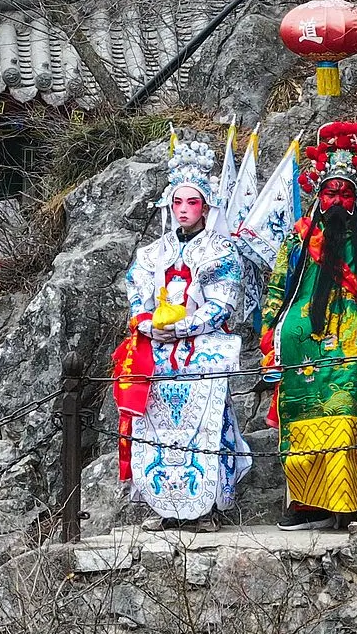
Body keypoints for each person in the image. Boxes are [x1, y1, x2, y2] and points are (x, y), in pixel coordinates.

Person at [261, 122, 357, 531]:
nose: (336, 200)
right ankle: (306, 503)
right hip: (301, 350)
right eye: (330, 192)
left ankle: (349, 500)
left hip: (350, 344)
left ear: (356, 199)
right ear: (318, 195)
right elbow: (277, 288)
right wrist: (270, 334)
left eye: (345, 194)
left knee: (346, 418)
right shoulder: (299, 239)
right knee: (300, 427)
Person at [118, 140, 253, 533]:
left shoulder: (222, 251)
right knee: (155, 431)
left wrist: (182, 326)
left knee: (207, 428)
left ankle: (208, 506)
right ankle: (165, 506)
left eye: (192, 201)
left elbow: (222, 303)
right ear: (168, 206)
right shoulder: (149, 254)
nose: (183, 209)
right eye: (177, 201)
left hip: (202, 352)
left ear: (206, 206)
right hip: (156, 355)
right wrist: (146, 323)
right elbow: (137, 296)